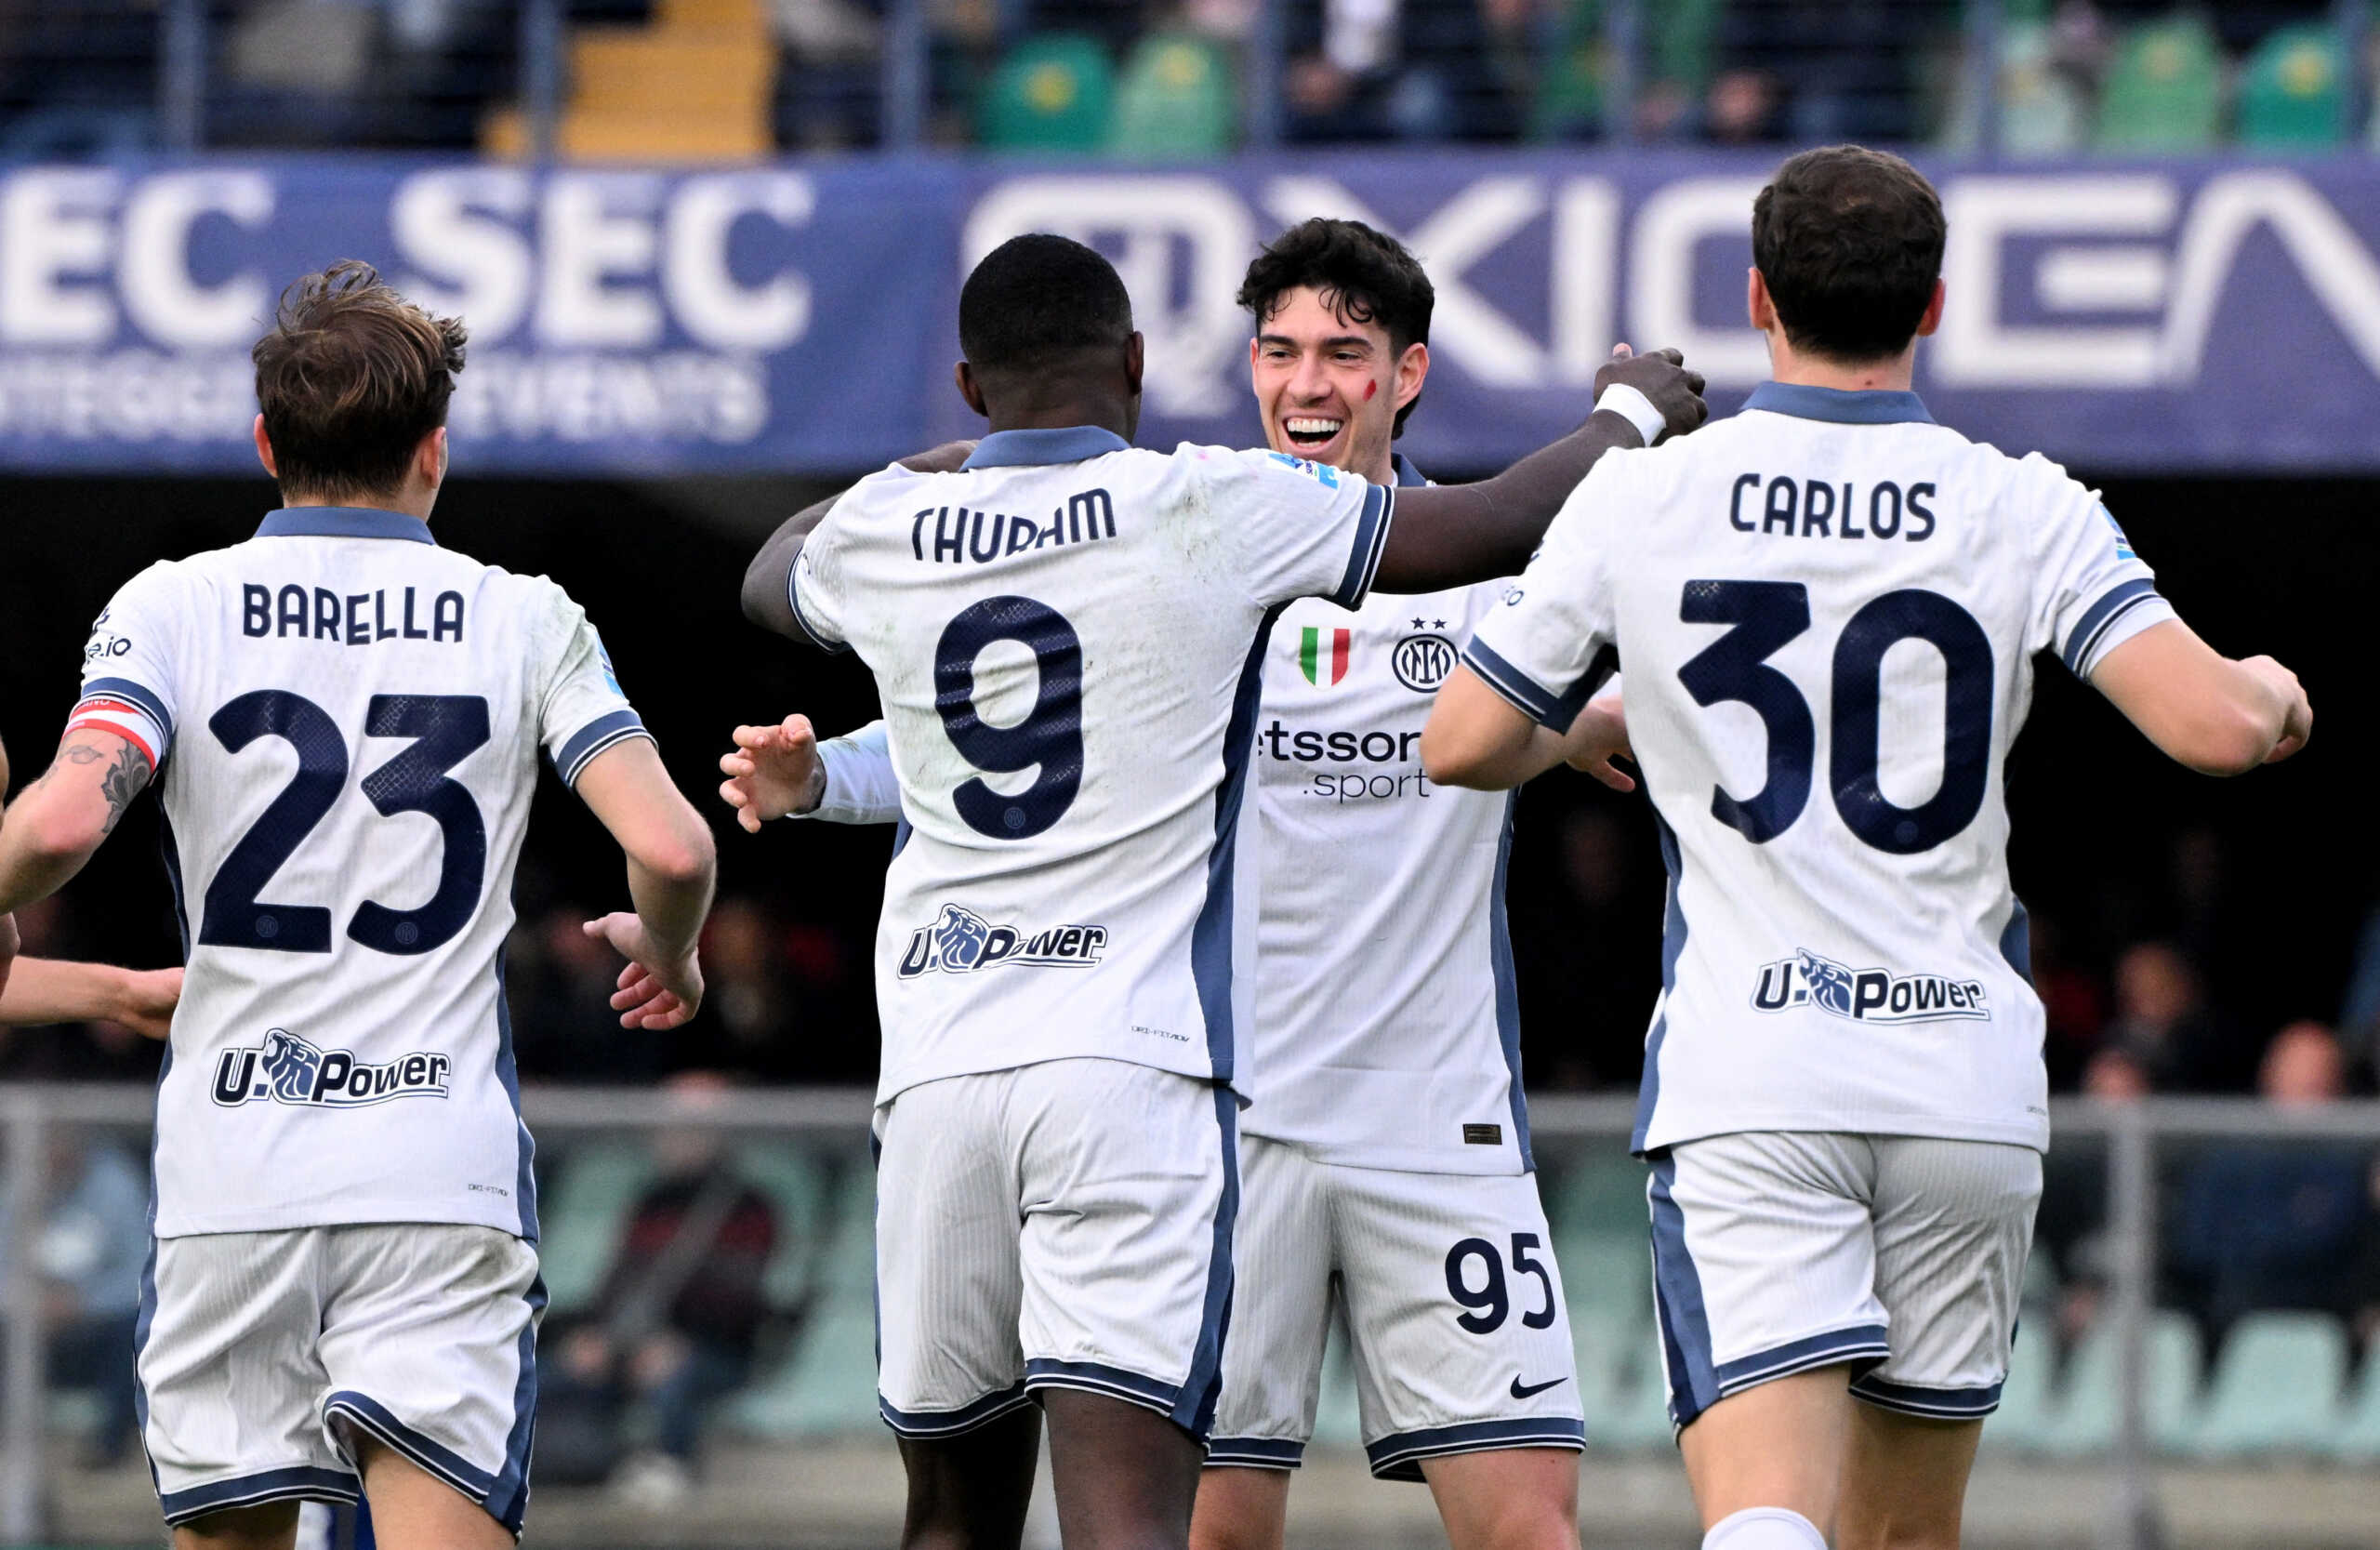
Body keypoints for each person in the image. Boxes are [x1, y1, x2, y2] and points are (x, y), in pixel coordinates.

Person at [690, 232, 1704, 1550]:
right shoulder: (1204, 541)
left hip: (1430, 1117)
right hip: (1227, 1112)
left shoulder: (1476, 589)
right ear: (1204, 368)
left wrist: (1572, 721)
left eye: (1345, 352)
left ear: (1408, 375)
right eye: (1282, 350)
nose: (1311, 381)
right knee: (1209, 1533)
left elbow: (1523, 674)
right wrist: (830, 778)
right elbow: (1008, 737)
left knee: (1527, 1531)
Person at [1421, 145, 2310, 1550]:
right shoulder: (2026, 503)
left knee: (1769, 1519)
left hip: (1755, 1077)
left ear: (1760, 299)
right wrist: (2275, 688)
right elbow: (2212, 726)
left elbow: (1461, 740)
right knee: (1906, 1538)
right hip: (1961, 1081)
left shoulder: (1651, 496)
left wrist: (1598, 717)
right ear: (1936, 305)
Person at [0, 259, 718, 1550]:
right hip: (433, 1175)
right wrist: (669, 951)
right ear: (435, 454)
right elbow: (670, 850)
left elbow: (57, 825)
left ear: (266, 443)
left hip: (235, 1176)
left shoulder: (170, 606)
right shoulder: (525, 619)